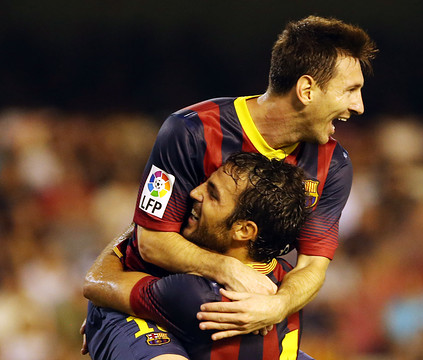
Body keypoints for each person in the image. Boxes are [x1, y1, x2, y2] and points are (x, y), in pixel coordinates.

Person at [84, 14, 377, 343]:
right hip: (148, 307)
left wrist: (279, 305)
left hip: (235, 314)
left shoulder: (333, 165)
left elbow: (312, 266)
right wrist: (228, 269)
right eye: (350, 90)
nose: (359, 106)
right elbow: (150, 240)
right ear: (307, 90)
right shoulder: (190, 131)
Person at [84, 152, 311, 359]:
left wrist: (144, 224)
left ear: (243, 230)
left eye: (213, 195)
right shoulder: (287, 277)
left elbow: (98, 284)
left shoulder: (199, 294)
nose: (195, 192)